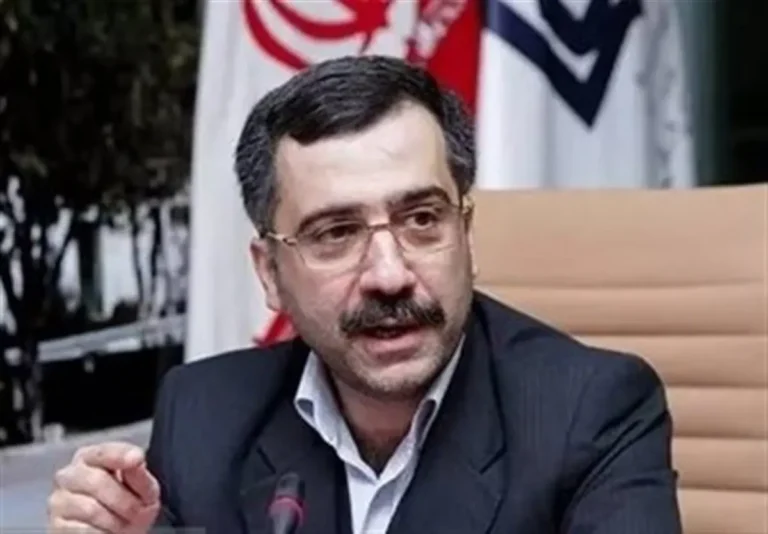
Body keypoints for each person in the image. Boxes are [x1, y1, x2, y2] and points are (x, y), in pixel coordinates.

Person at [46, 55, 682, 534]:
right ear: (270, 274)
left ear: (466, 235)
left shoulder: (593, 413)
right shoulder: (203, 415)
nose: (389, 274)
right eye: (336, 233)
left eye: (422, 219)